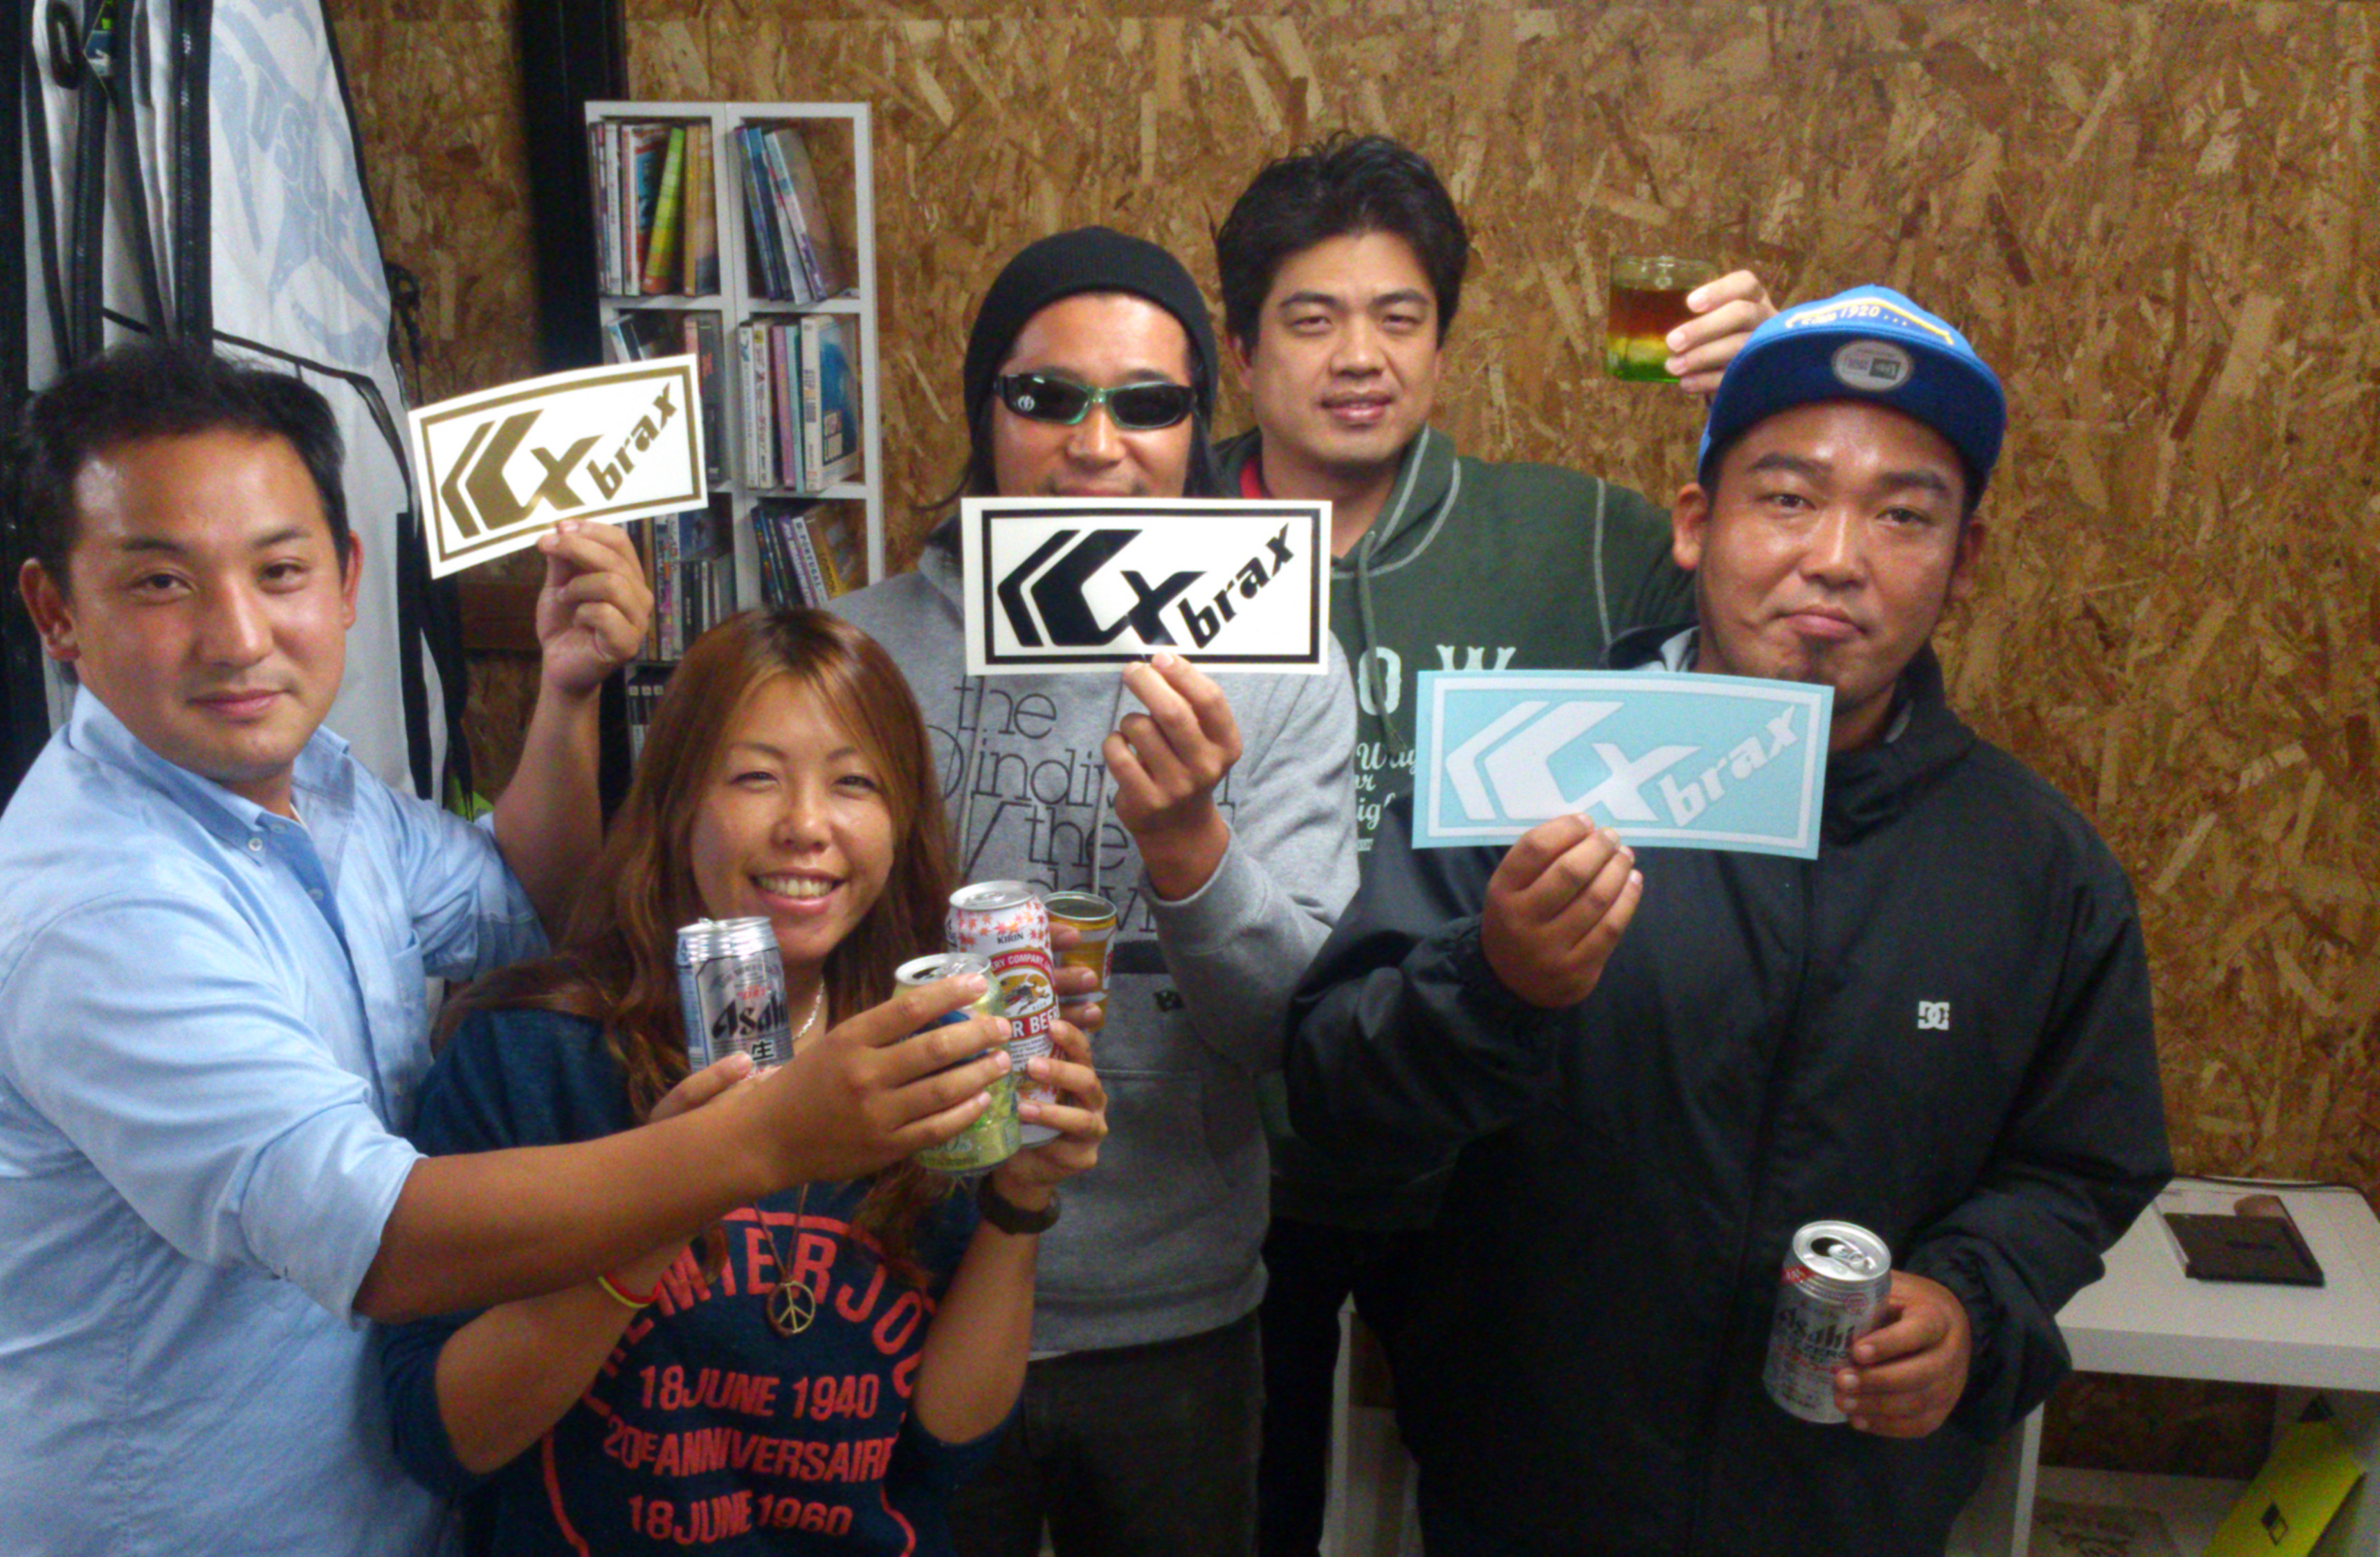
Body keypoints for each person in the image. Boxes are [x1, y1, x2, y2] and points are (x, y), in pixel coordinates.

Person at [0, 343, 1012, 1556]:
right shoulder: (97, 913)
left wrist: (568, 690)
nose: (237, 635)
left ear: (346, 578)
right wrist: (762, 1140)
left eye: (279, 570)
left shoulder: (317, 789)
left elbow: (520, 897)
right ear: (55, 612)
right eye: (161, 583)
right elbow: (378, 1235)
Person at [1283, 286, 2172, 1556]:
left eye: (1904, 514)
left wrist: (1973, 1302)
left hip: (1847, 1510)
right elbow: (1338, 1093)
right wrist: (1495, 980)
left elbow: (2082, 1164)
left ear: (1965, 559)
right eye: (1790, 497)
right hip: (1528, 1498)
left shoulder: (2037, 867)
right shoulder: (1523, 775)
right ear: (1698, 525)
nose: (1839, 557)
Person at [1208, 133, 1779, 1551]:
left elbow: (1778, 644)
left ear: (1442, 347)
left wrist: (1766, 403)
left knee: (1506, 1502)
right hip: (1224, 1145)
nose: (1359, 357)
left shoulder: (1570, 538)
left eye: (1398, 318)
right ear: (1240, 351)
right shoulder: (1152, 540)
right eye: (1311, 319)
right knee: (1243, 1511)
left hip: (1485, 1142)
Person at [831, 226, 1360, 1557]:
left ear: (1198, 424)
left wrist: (1190, 848)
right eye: (1045, 396)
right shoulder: (856, 651)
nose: (1096, 442)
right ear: (983, 411)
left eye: (1149, 403)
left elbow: (1294, 1026)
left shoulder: (1288, 663)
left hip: (1176, 1310)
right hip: (897, 1280)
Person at [377, 608, 1108, 1555]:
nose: (805, 826)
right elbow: (442, 1442)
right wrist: (666, 1200)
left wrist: (1020, 1198)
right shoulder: (529, 1054)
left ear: (901, 822)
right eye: (756, 777)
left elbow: (946, 1448)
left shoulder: (926, 1052)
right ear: (678, 801)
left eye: (854, 782)